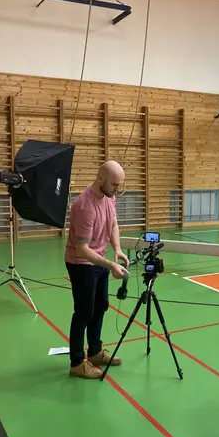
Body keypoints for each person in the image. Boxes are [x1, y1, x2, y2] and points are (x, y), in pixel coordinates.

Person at [65, 160, 130, 379]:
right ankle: (76, 363)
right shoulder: (84, 206)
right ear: (100, 178)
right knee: (84, 312)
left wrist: (117, 249)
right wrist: (110, 264)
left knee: (100, 306)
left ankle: (94, 352)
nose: (117, 189)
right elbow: (82, 249)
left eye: (119, 185)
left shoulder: (109, 196)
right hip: (81, 262)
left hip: (99, 259)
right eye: (114, 184)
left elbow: (113, 223)